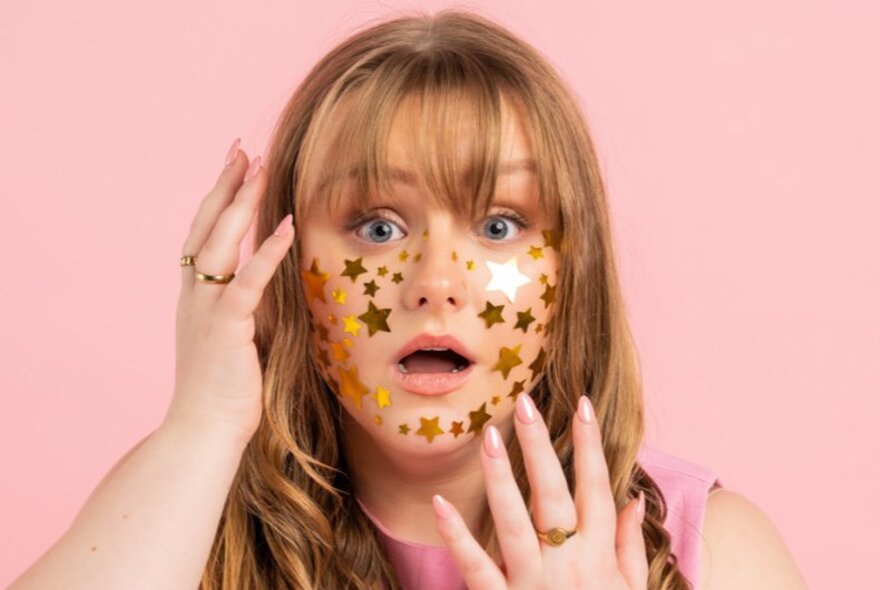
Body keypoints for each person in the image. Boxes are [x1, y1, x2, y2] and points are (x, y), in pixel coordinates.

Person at [9, 8, 808, 590]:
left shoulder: (707, 552)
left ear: (572, 273)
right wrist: (204, 421)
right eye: (377, 227)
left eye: (500, 224)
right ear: (289, 270)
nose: (434, 280)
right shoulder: (183, 522)